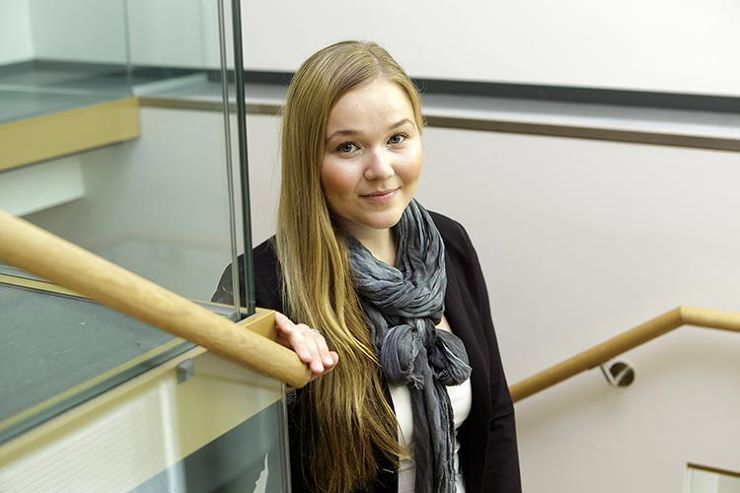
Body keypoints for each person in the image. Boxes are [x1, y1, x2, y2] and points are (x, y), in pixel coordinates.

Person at [213, 40, 521, 493]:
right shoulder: (260, 284)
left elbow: (495, 419)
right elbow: (222, 476)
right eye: (348, 147)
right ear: (308, 159)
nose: (380, 168)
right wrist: (265, 384)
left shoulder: (449, 243)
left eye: (397, 138)